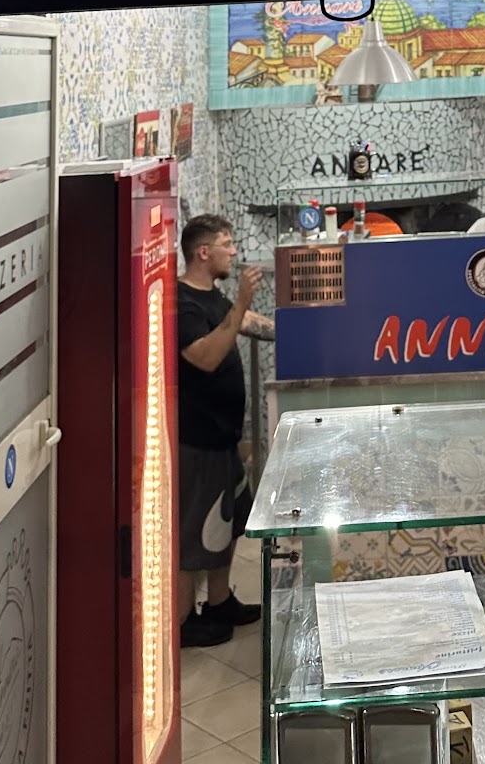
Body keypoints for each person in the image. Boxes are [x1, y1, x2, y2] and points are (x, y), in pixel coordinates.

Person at [177, 214, 265, 647]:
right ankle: (181, 622)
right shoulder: (181, 304)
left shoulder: (210, 295)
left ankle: (219, 600)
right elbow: (207, 357)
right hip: (199, 440)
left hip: (224, 439)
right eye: (226, 244)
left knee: (226, 526)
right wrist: (242, 300)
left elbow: (241, 323)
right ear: (203, 252)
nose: (233, 252)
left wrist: (298, 332)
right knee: (195, 534)